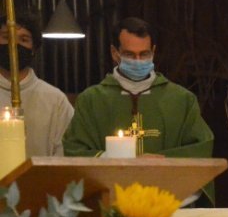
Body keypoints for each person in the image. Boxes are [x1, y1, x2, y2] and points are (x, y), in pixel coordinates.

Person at [63, 17, 216, 204]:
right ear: (114, 53)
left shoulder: (182, 100)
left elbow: (201, 149)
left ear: (153, 52)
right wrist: (115, 158)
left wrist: (162, 160)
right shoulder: (91, 100)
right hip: (111, 204)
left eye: (144, 54)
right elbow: (74, 150)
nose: (137, 61)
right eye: (129, 54)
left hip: (171, 205)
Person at [0, 12, 73, 156]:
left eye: (23, 39)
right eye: (7, 37)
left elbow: (66, 153)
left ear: (33, 48)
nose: (14, 45)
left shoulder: (55, 100)